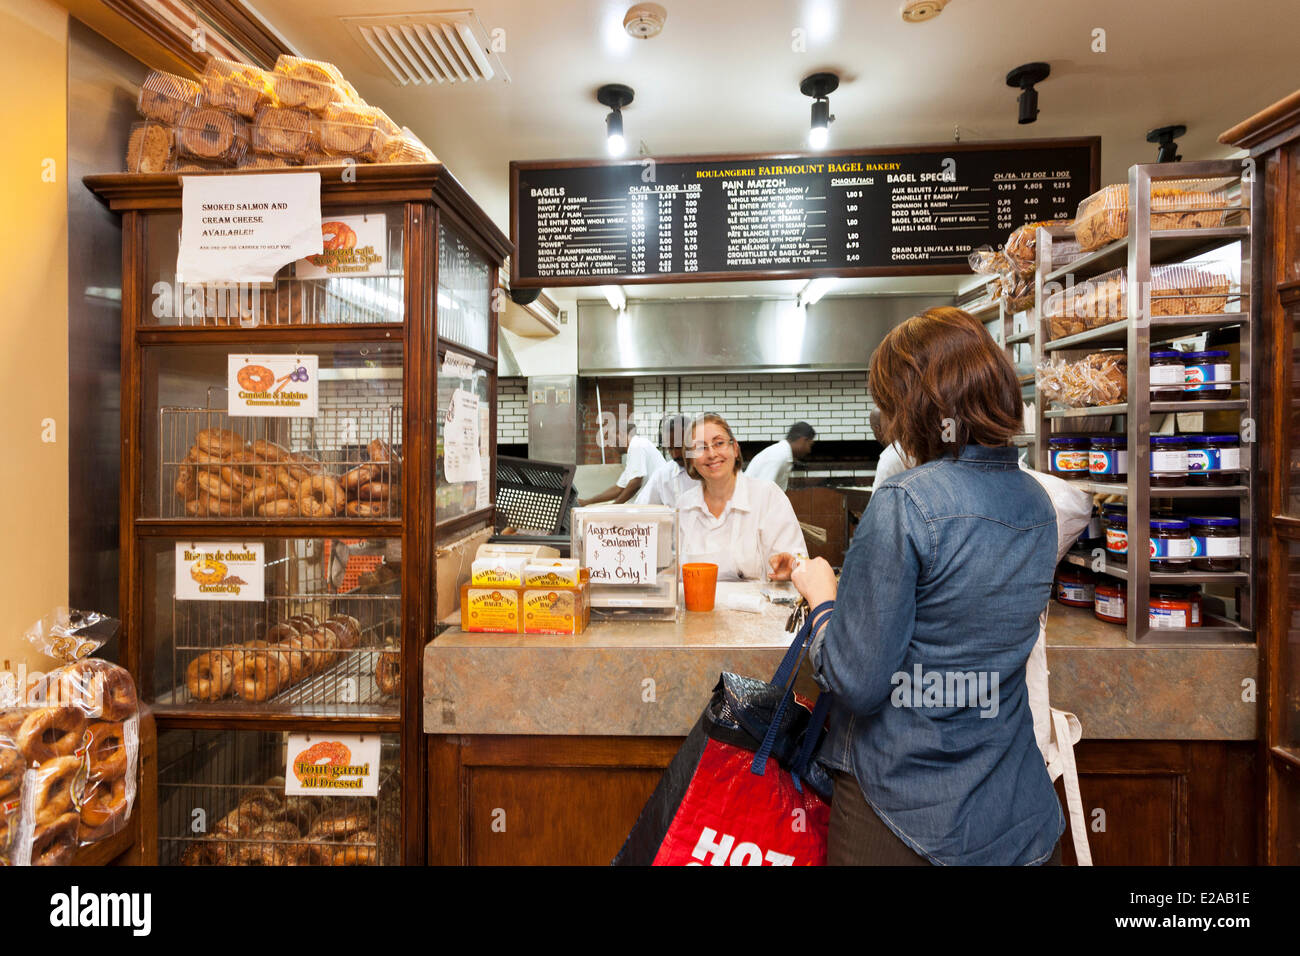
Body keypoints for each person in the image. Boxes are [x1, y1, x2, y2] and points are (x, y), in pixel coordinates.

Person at [784, 306, 1065, 866]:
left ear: (917, 403)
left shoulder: (907, 501)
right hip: (1012, 802)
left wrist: (822, 600)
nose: (887, 419)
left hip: (902, 811)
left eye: (888, 403)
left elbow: (858, 680)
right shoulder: (1037, 500)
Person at [677, 412, 806, 581]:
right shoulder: (684, 505)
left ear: (735, 448)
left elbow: (797, 563)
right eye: (700, 448)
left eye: (719, 443)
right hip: (696, 607)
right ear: (692, 460)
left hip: (757, 606)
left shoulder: (767, 496)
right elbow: (674, 568)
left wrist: (791, 568)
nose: (712, 454)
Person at [577, 421, 667, 506]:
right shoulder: (633, 452)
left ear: (621, 434)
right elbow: (618, 488)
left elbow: (636, 482)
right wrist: (587, 502)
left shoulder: (637, 445)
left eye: (611, 439)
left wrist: (615, 506)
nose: (611, 445)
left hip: (656, 507)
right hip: (650, 505)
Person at [634, 414, 698, 507]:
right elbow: (641, 508)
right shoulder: (663, 475)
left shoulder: (710, 470)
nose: (675, 455)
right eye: (670, 449)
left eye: (679, 447)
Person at [744, 422, 816, 491]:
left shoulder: (784, 455)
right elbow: (763, 493)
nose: (809, 450)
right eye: (810, 445)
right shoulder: (778, 456)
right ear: (803, 440)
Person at [868, 408, 914, 492]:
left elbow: (879, 502)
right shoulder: (914, 448)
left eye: (873, 429)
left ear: (878, 429)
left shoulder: (888, 459)